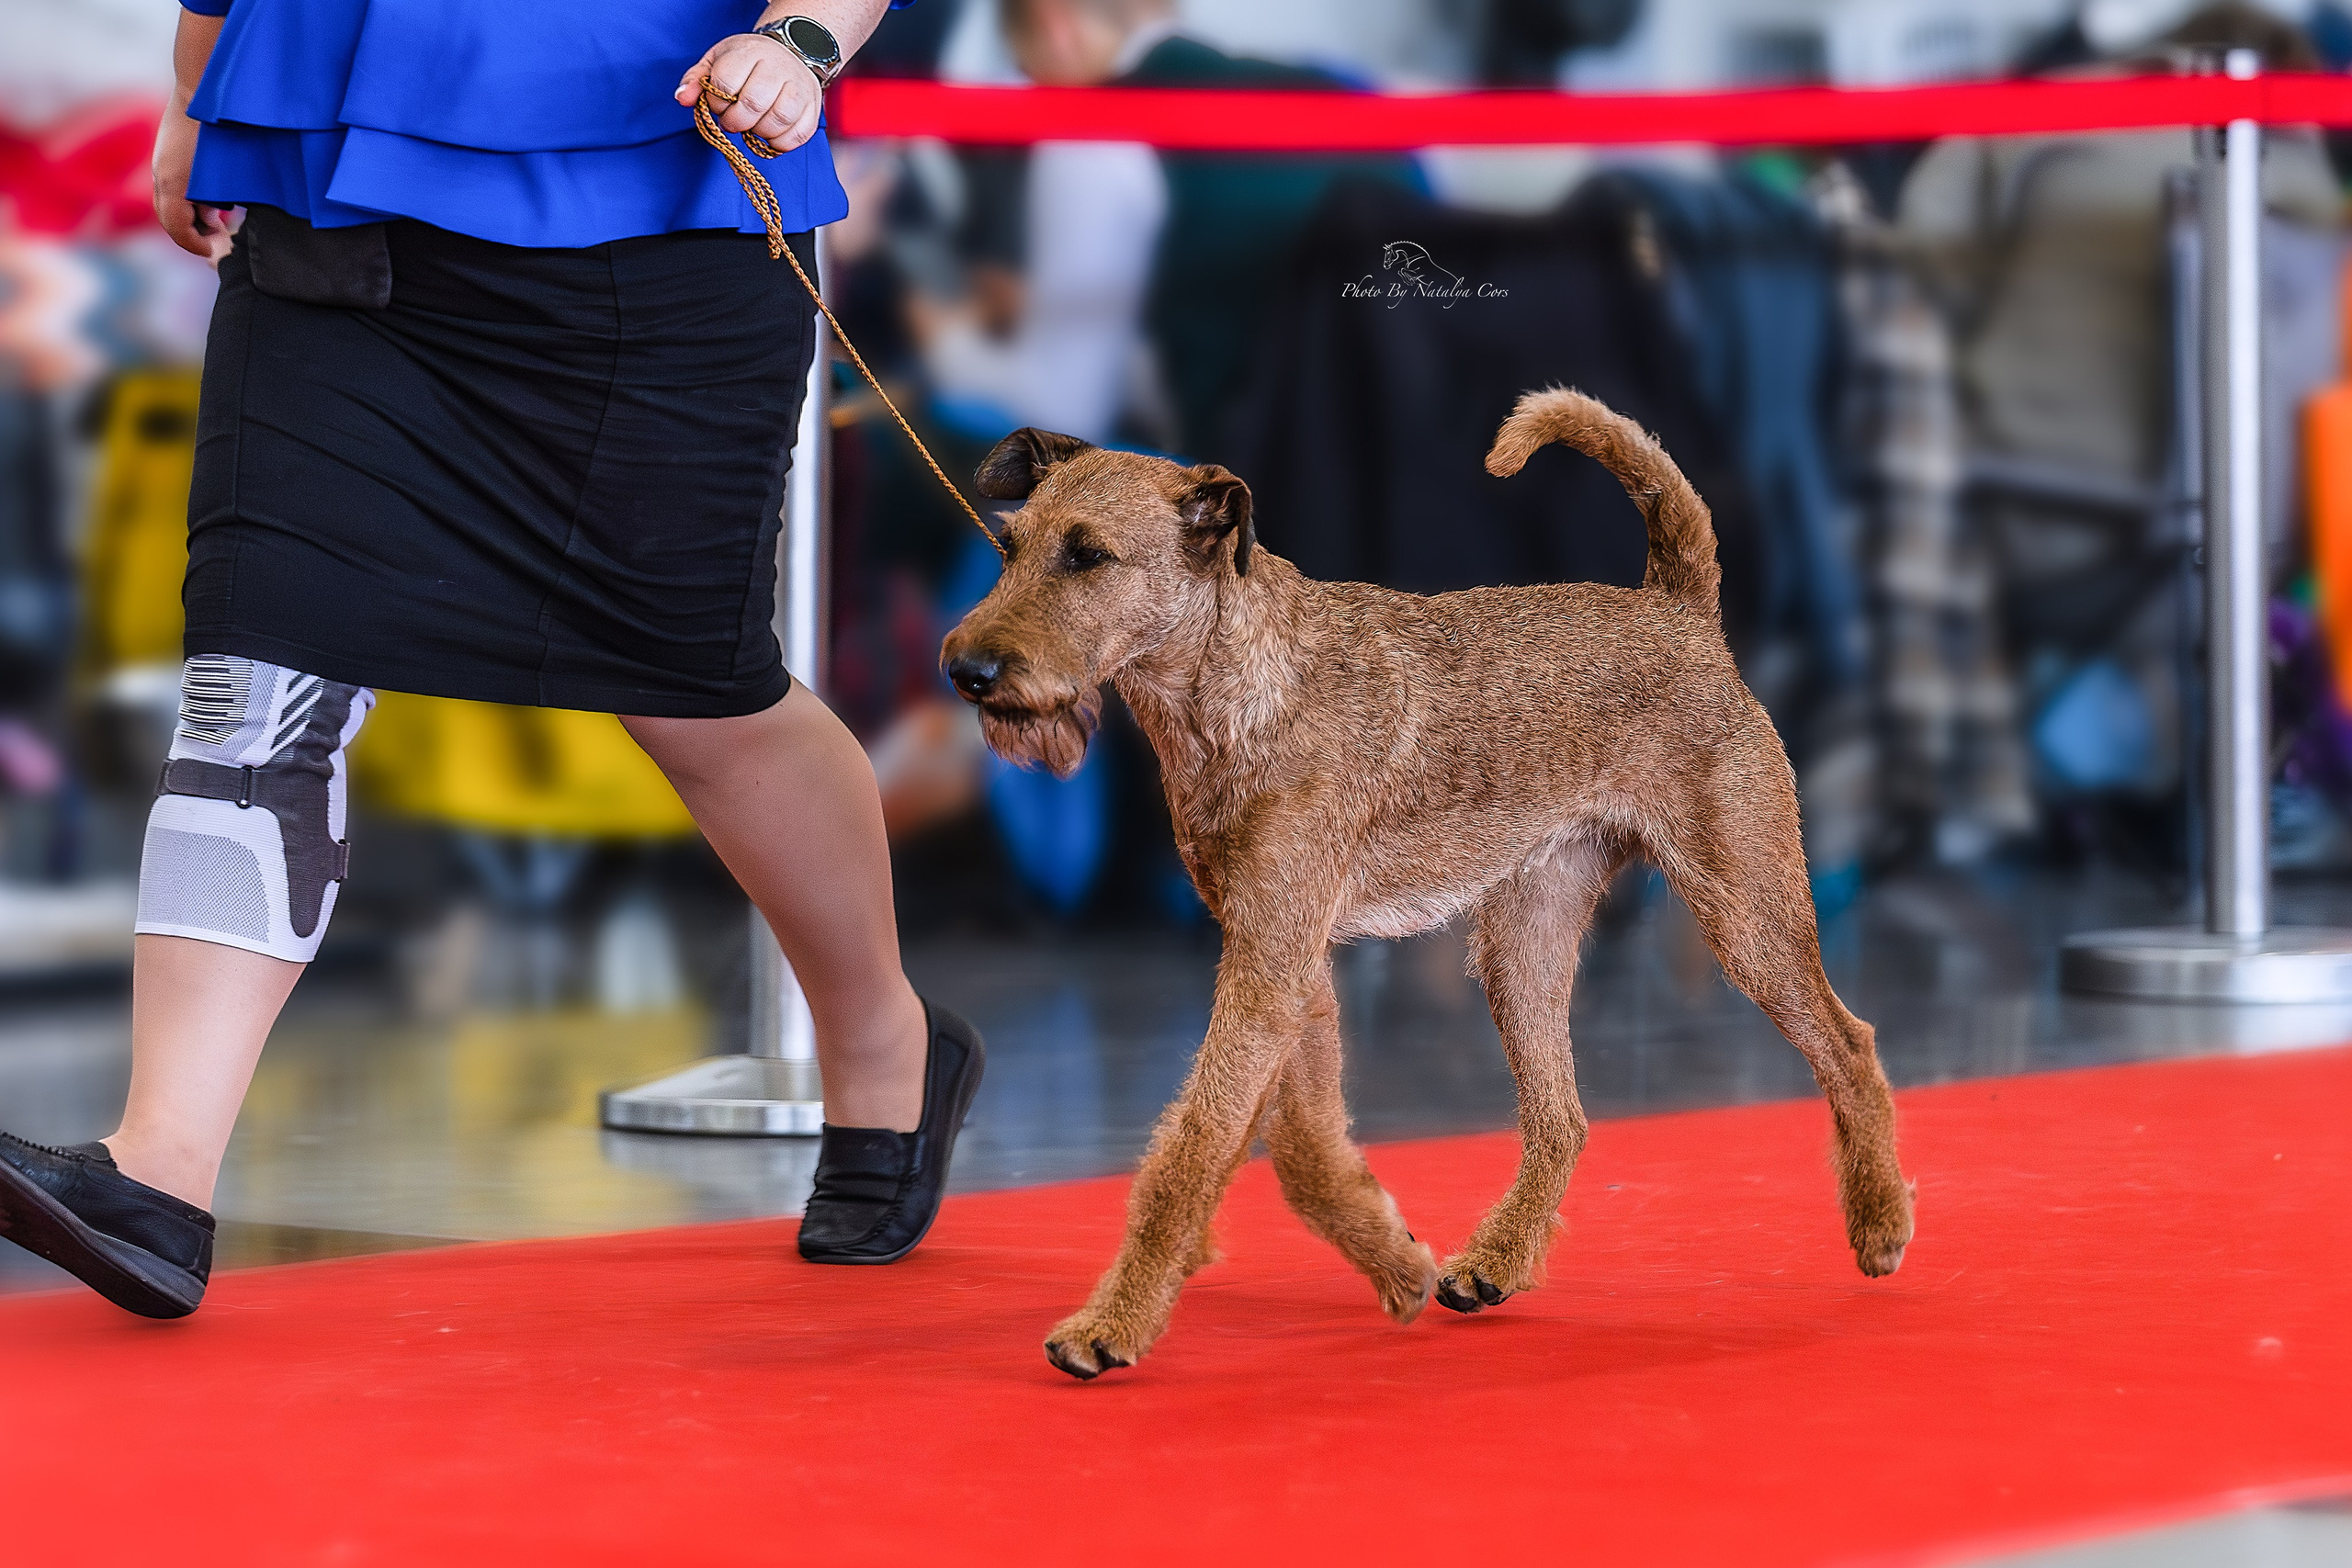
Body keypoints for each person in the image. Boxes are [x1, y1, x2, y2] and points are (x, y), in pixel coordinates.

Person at [0, 0, 984, 1319]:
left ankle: (884, 1046)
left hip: (661, 210)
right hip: (329, 207)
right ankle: (159, 1170)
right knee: (259, 675)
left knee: (700, 695)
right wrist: (198, 95)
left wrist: (804, 37)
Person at [1000, 0, 1421, 458]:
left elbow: (1063, 418)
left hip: (1269, 501)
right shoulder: (1340, 90)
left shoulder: (1093, 136)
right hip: (1432, 483)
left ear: (1054, 24)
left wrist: (943, 346)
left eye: (1027, 72)